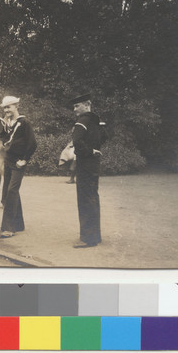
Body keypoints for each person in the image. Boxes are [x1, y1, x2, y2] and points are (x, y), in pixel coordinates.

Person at [71, 93, 107, 248]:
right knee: (93, 197)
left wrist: (89, 151)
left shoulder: (82, 121)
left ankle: (87, 238)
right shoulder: (97, 120)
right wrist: (95, 150)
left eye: (77, 106)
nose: (74, 109)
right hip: (94, 164)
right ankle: (95, 236)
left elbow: (76, 142)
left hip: (85, 164)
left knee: (85, 199)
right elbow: (105, 137)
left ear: (87, 105)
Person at [0, 96, 37, 237]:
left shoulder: (24, 122)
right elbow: (5, 141)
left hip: (18, 162)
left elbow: (33, 144)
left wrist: (24, 159)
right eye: (4, 108)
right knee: (10, 190)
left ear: (16, 106)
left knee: (11, 191)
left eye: (9, 107)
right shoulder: (7, 123)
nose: (6, 110)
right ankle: (18, 224)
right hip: (8, 161)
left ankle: (9, 228)